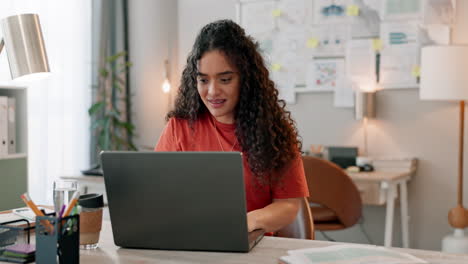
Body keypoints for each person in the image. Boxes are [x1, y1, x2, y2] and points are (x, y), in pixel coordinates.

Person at [155, 19, 309, 233]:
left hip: (251, 245)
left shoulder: (274, 133)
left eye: (225, 80)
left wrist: (248, 221)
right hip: (189, 240)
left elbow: (289, 205)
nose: (212, 92)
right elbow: (158, 194)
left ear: (246, 80)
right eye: (203, 80)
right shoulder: (178, 127)